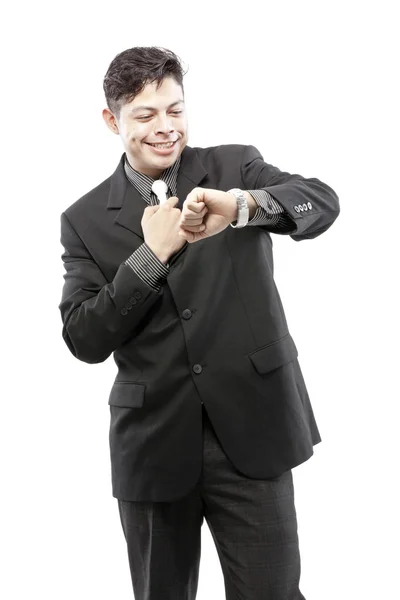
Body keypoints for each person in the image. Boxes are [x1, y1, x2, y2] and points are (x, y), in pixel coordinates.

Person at [58, 46, 340, 600]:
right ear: (112, 121)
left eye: (176, 110)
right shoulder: (84, 219)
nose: (166, 129)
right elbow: (83, 337)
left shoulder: (236, 167)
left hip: (254, 428)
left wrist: (241, 208)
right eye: (145, 116)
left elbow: (320, 201)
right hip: (154, 444)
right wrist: (149, 257)